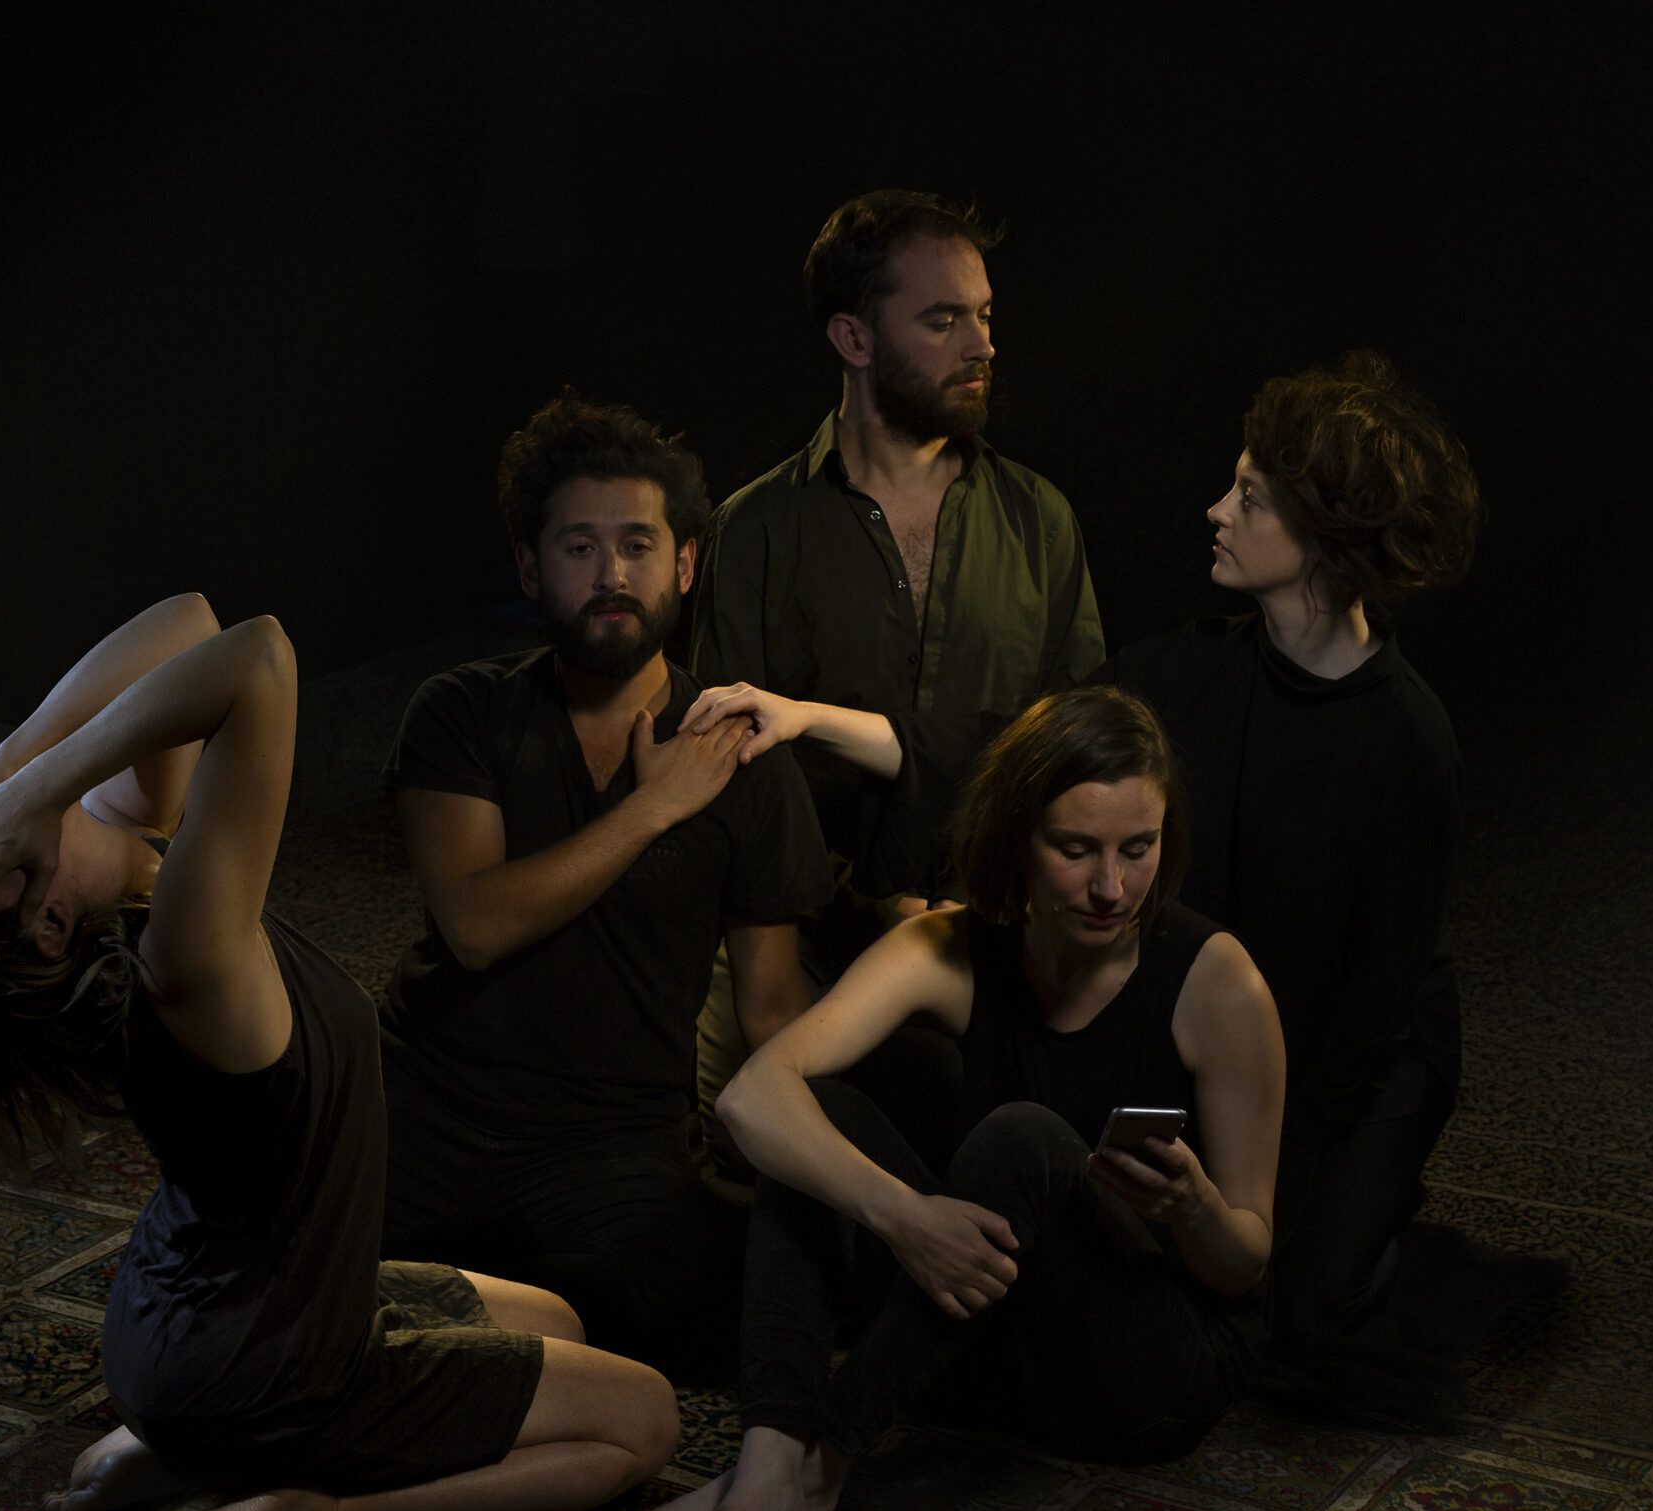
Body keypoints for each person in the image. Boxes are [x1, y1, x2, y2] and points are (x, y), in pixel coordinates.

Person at [0, 593, 678, 1511]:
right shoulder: (187, 953)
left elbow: (190, 625)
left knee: (558, 1319)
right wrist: (31, 784)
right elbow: (258, 659)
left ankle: (191, 1449)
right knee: (643, 1420)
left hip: (207, 1316)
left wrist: (0, 778)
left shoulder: (124, 870)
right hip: (266, 1368)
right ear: (47, 919)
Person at [637, 687, 1284, 1511]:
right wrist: (903, 1215)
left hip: (1144, 1375)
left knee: (1023, 1139)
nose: (1111, 887)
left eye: (1137, 849)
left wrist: (1195, 1208)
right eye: (1076, 850)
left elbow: (1246, 1266)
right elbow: (753, 1097)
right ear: (1017, 838)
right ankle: (768, 1462)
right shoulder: (953, 946)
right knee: (813, 1118)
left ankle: (821, 1466)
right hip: (983, 1347)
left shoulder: (1218, 983)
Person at [1098, 351, 1565, 1419]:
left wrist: (1279, 1175)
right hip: (1232, 1042)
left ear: (1322, 537)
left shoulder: (1407, 739)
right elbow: (1035, 738)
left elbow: (1375, 1003)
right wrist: (823, 722)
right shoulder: (1195, 665)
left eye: (1249, 497)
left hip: (1361, 1063)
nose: (1216, 511)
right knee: (1171, 1268)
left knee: (1296, 1319)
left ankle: (1399, 1244)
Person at [378, 393, 830, 1379]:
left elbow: (769, 1004)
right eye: (579, 547)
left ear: (685, 563)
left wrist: (853, 1161)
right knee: (289, 1289)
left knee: (734, 1318)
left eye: (637, 544)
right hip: (432, 1115)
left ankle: (504, 1317)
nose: (611, 574)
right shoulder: (461, 710)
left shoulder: (745, 758)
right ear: (531, 568)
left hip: (613, 1145)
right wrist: (654, 805)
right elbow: (476, 923)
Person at [684, 190, 1105, 1131]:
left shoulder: (1039, 520)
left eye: (985, 315)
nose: (982, 344)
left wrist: (979, 906)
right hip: (800, 955)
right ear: (854, 337)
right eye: (943, 320)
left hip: (1001, 950)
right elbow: (732, 773)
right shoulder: (756, 530)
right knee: (748, 1172)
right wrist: (863, 905)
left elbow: (1077, 750)